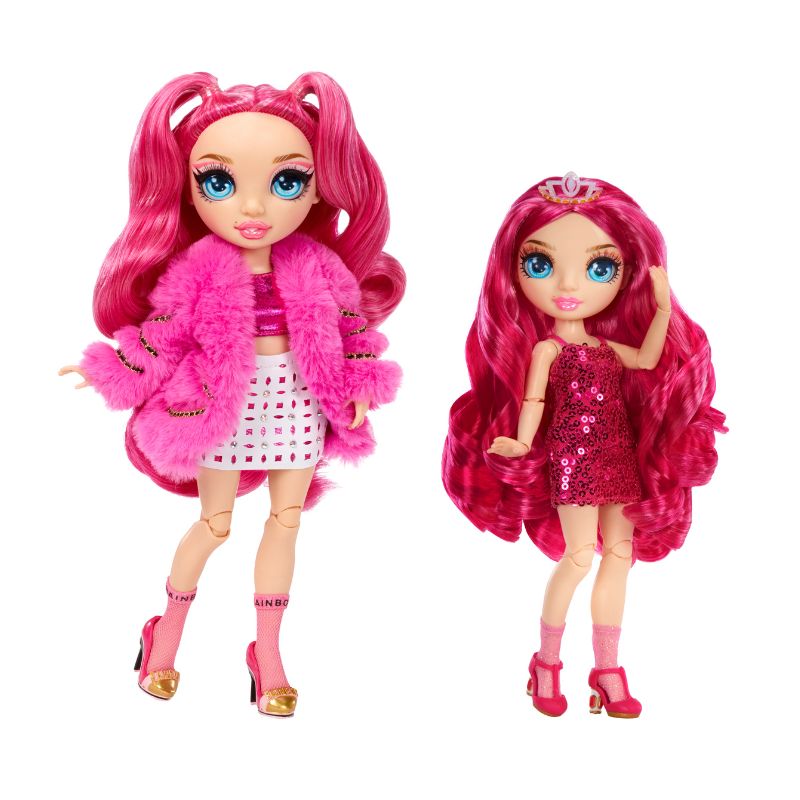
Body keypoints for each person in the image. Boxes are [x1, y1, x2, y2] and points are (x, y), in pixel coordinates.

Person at [60, 72, 404, 716]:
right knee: (214, 525)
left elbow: (352, 329)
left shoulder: (317, 264)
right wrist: (113, 367)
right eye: (219, 182)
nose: (253, 208)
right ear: (190, 190)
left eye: (286, 182)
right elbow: (163, 332)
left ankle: (267, 653)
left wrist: (360, 384)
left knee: (286, 522)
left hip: (299, 403)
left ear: (316, 186)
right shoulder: (198, 266)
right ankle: (165, 634)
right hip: (223, 407)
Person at [442, 173, 725, 718]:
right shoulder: (547, 350)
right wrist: (521, 441)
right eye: (540, 264)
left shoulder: (607, 346)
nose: (568, 286)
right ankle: (546, 664)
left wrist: (663, 310)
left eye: (599, 269)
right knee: (576, 557)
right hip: (572, 461)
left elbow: (647, 359)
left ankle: (607, 671)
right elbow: (533, 400)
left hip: (618, 455)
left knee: (619, 555)